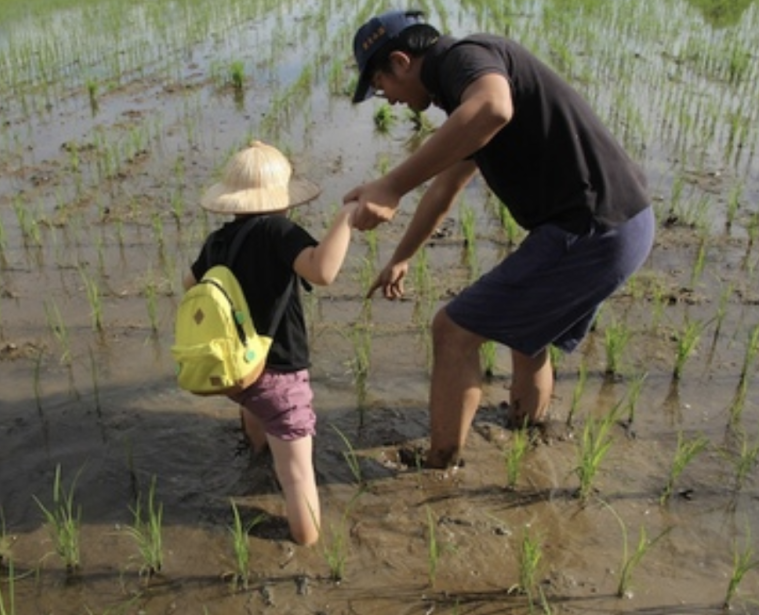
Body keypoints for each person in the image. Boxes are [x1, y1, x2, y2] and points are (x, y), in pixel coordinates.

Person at [345, 10, 655, 469]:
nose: (385, 100)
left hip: (591, 228)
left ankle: (440, 465)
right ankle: (527, 441)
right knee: (527, 337)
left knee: (451, 332)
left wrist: (390, 186)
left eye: (380, 85)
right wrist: (401, 257)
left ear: (399, 61)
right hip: (621, 221)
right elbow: (446, 189)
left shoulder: (462, 60)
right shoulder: (462, 92)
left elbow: (494, 107)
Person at [184, 140, 358, 545]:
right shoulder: (280, 231)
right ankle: (307, 544)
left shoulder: (218, 242)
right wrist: (346, 218)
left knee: (257, 416)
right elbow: (322, 271)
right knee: (298, 475)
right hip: (279, 371)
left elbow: (189, 285)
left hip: (238, 370)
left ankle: (258, 459)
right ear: (282, 197)